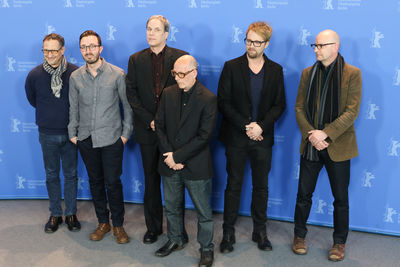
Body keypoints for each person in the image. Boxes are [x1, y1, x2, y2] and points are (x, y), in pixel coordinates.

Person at [292, 29, 362, 261]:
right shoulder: (306, 73)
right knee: (303, 195)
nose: (316, 49)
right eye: (315, 45)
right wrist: (312, 135)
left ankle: (339, 243)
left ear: (335, 47)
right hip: (311, 144)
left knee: (340, 199)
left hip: (338, 146)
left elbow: (352, 112)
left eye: (321, 46)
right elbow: (299, 108)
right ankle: (299, 236)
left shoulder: (352, 74)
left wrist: (326, 134)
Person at [217, 21, 286, 252]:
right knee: (233, 185)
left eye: (256, 42)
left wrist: (261, 127)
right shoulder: (231, 66)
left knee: (261, 187)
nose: (251, 46)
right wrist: (248, 126)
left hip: (262, 138)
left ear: (266, 43)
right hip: (236, 136)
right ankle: (228, 232)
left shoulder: (276, 70)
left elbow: (279, 105)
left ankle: (260, 231)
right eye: (248, 40)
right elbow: (224, 102)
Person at [125, 15, 188, 244]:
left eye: (156, 29)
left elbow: (185, 93)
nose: (151, 33)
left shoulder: (180, 57)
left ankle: (178, 229)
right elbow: (131, 94)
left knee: (175, 182)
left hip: (173, 132)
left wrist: (163, 121)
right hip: (147, 130)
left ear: (166, 34)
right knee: (151, 181)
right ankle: (153, 228)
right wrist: (151, 120)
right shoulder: (135, 59)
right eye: (148, 29)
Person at [68, 30, 133, 244]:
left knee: (113, 183)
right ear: (81, 50)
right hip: (86, 139)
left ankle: (119, 226)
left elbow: (127, 106)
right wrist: (73, 134)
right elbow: (73, 108)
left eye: (92, 46)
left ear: (100, 48)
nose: (88, 50)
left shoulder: (117, 74)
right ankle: (102, 222)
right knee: (95, 182)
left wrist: (125, 135)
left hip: (112, 139)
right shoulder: (75, 77)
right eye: (84, 47)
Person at [154, 55, 217, 267]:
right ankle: (175, 239)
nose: (178, 78)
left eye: (182, 74)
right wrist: (170, 156)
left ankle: (206, 248)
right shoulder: (168, 93)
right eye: (175, 73)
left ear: (194, 73)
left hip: (195, 165)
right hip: (169, 162)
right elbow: (160, 126)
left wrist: (178, 157)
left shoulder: (208, 98)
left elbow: (204, 135)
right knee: (171, 207)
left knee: (203, 212)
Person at [25, 33, 80, 233]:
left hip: (70, 134)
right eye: (45, 50)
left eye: (53, 50)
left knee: (71, 175)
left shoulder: (75, 72)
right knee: (51, 174)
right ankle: (56, 213)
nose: (49, 54)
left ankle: (71, 213)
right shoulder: (34, 75)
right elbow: (33, 100)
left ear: (62, 50)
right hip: (47, 133)